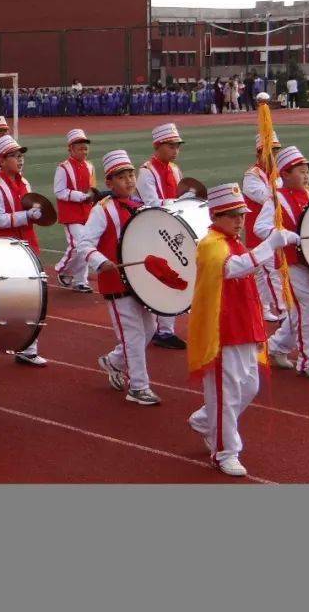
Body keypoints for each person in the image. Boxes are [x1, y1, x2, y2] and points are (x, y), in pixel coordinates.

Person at [186, 183, 301, 477]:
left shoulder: (234, 241)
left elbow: (247, 268)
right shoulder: (211, 244)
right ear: (216, 216)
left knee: (249, 387)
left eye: (241, 215)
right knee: (227, 393)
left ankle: (205, 419)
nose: (239, 220)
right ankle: (224, 451)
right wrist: (270, 244)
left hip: (245, 326)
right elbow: (233, 269)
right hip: (224, 331)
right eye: (232, 215)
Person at [81, 150, 162, 406]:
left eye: (130, 175)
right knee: (134, 335)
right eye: (121, 177)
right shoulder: (101, 210)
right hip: (116, 283)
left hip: (141, 282)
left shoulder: (140, 206)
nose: (129, 181)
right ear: (109, 183)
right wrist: (100, 262)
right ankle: (138, 386)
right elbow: (85, 244)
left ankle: (114, 361)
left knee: (150, 329)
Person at [254, 146, 309, 380]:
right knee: (308, 311)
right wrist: (286, 235)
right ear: (285, 174)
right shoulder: (277, 199)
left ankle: (276, 346)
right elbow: (260, 228)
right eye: (300, 171)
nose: (306, 175)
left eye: (307, 171)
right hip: (293, 263)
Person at [0, 134, 48, 365]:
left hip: (28, 245)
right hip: (5, 250)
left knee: (31, 299)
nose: (19, 160)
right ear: (1, 161)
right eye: (13, 156)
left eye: (20, 156)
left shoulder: (25, 183)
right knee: (2, 300)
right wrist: (26, 216)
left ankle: (28, 349)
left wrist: (37, 212)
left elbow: (30, 211)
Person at [136, 123, 187, 350]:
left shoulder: (175, 170)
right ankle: (154, 326)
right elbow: (151, 203)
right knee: (156, 278)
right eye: (171, 146)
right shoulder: (146, 171)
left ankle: (165, 330)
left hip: (172, 228)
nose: (175, 150)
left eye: (177, 146)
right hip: (153, 230)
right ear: (158, 146)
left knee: (173, 277)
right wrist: (178, 203)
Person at [242, 131, 286, 322]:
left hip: (270, 230)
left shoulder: (276, 174)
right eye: (270, 152)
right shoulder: (252, 176)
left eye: (276, 152)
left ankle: (262, 307)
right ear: (259, 153)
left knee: (262, 274)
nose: (273, 156)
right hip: (258, 233)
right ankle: (283, 309)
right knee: (271, 271)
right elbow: (265, 196)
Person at [53, 128, 96, 293]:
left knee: (86, 245)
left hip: (87, 212)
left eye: (85, 148)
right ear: (70, 149)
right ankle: (63, 270)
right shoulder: (63, 168)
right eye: (80, 148)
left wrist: (92, 196)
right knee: (78, 244)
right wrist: (81, 196)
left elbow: (92, 187)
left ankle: (81, 281)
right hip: (70, 213)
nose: (84, 151)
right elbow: (59, 191)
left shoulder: (90, 166)